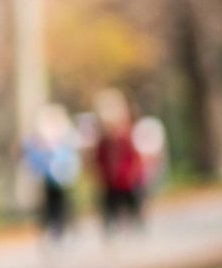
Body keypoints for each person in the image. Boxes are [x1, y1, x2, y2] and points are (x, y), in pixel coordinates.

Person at [21, 103, 80, 246]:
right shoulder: (39, 137)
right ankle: (50, 230)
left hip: (63, 175)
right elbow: (31, 152)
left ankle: (63, 230)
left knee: (64, 203)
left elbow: (71, 152)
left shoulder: (65, 134)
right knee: (49, 205)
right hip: (48, 176)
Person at [92, 88, 147, 235]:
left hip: (129, 178)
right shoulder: (103, 141)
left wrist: (133, 172)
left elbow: (136, 156)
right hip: (110, 180)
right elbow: (98, 158)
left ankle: (137, 225)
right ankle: (111, 228)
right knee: (110, 204)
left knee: (132, 201)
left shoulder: (128, 136)